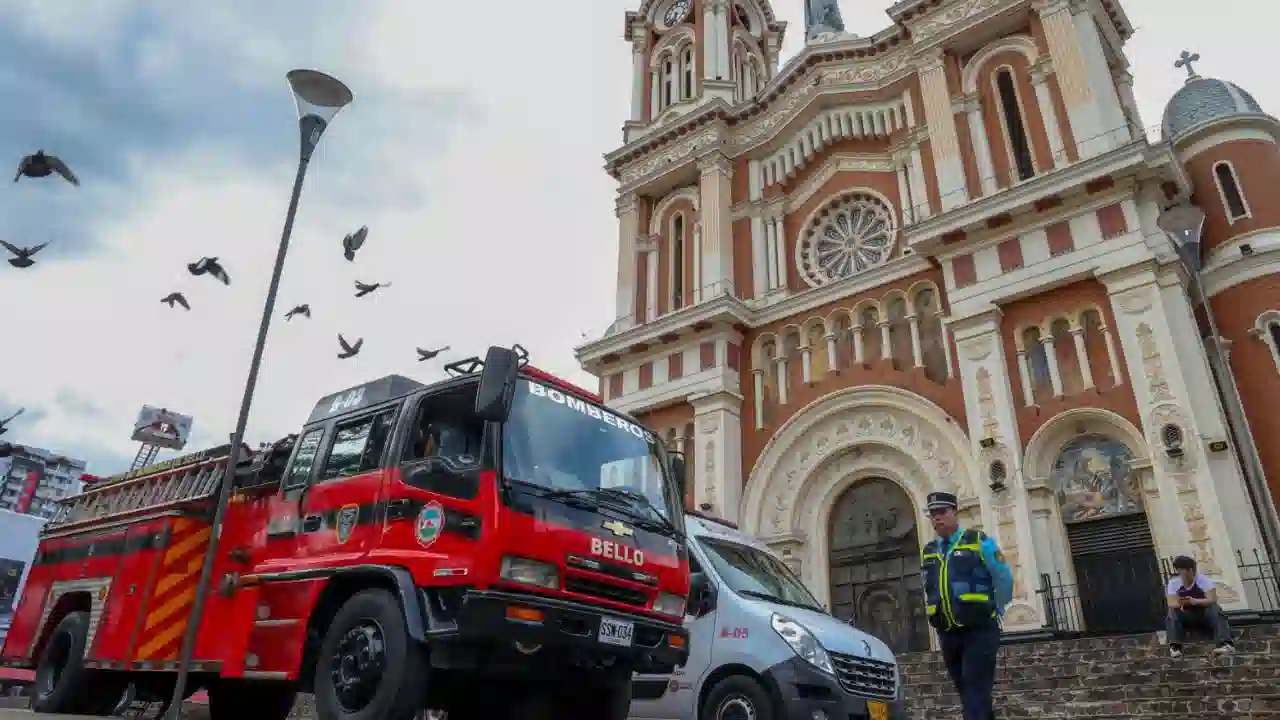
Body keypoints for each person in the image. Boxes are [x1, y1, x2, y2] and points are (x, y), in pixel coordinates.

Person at [920, 491, 1014, 720]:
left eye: (942, 512)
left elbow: (1003, 578)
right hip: (948, 633)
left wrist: (996, 608)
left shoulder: (978, 541)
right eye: (933, 514)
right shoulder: (929, 551)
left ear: (955, 512)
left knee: (975, 690)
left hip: (979, 629)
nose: (937, 518)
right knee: (969, 694)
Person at [1166, 554, 1234, 657]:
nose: (1180, 573)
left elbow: (1212, 599)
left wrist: (1194, 601)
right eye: (1179, 570)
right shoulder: (1174, 583)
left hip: (1204, 614)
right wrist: (1184, 602)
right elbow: (1171, 603)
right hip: (1186, 615)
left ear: (1190, 570)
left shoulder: (1203, 580)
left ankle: (1225, 644)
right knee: (1172, 612)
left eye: (1182, 570)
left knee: (1215, 608)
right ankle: (1175, 647)